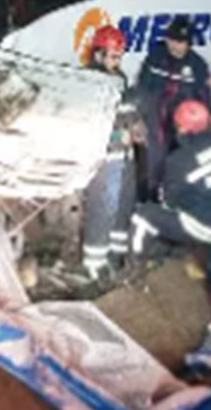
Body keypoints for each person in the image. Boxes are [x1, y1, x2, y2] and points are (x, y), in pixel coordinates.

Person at [129, 99, 211, 355]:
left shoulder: (180, 160)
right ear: (210, 122)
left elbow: (169, 201)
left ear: (181, 129)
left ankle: (134, 264)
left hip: (204, 226)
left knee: (145, 215)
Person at [80, 25, 143, 278]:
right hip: (105, 161)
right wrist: (119, 136)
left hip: (125, 159)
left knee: (123, 209)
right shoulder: (89, 85)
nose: (118, 61)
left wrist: (137, 124)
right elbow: (89, 128)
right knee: (101, 210)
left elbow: (127, 111)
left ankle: (115, 259)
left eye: (120, 55)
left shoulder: (119, 79)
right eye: (113, 55)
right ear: (98, 55)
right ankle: (94, 268)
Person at [137, 17, 211, 200]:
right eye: (172, 40)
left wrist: (206, 122)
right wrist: (139, 118)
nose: (175, 46)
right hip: (157, 123)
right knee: (154, 169)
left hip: (184, 128)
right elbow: (142, 89)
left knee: (182, 169)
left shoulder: (197, 65)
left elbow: (205, 98)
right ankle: (152, 202)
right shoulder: (155, 58)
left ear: (188, 43)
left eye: (180, 42)